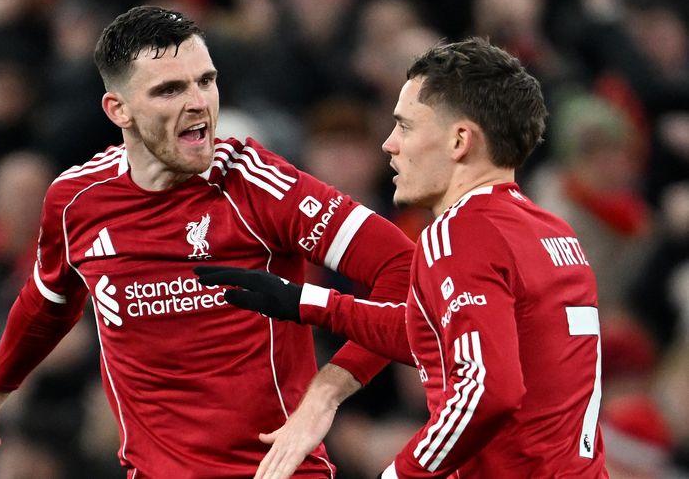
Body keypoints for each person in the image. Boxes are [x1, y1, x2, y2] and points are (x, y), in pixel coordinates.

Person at [0, 5, 415, 478]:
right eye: (170, 89)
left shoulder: (259, 187)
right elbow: (49, 302)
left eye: (205, 81)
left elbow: (409, 274)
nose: (198, 102)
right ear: (118, 109)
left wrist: (328, 391)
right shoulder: (77, 202)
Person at [196, 38, 609, 477]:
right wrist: (306, 303)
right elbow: (440, 336)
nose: (389, 145)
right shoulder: (553, 233)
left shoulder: (460, 233)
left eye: (405, 127)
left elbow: (489, 390)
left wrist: (399, 474)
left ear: (459, 141)